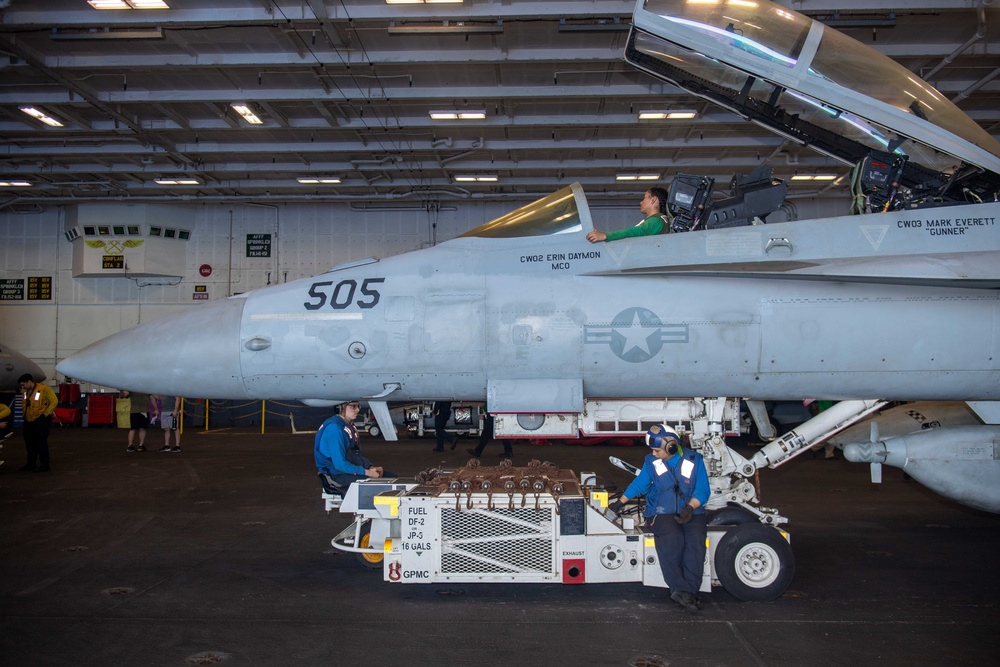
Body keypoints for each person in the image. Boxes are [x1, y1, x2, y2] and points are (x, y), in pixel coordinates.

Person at [608, 424, 710, 612]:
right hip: (661, 512)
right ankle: (680, 589)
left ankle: (689, 590)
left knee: (695, 542)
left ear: (671, 447)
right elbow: (640, 484)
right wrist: (620, 502)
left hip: (691, 510)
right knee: (673, 539)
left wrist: (690, 507)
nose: (654, 454)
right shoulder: (651, 462)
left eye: (657, 450)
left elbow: (703, 490)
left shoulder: (695, 460)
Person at [315, 400, 395, 494]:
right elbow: (340, 464)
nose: (357, 410)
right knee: (377, 485)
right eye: (353, 407)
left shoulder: (349, 427)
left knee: (391, 477)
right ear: (340, 408)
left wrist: (370, 467)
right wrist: (367, 472)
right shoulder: (335, 429)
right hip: (335, 474)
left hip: (343, 471)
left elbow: (355, 454)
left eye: (358, 406)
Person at [586, 187, 672, 243]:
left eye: (644, 198)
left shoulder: (656, 220)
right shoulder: (659, 220)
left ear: (653, 200)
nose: (641, 202)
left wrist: (605, 235)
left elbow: (636, 231)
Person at [17, 373, 57, 472]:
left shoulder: (44, 389)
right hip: (28, 421)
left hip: (40, 420)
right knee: (29, 443)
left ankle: (44, 464)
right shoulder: (25, 391)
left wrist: (46, 414)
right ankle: (31, 463)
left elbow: (54, 401)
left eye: (23, 384)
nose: (22, 387)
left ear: (29, 382)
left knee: (41, 442)